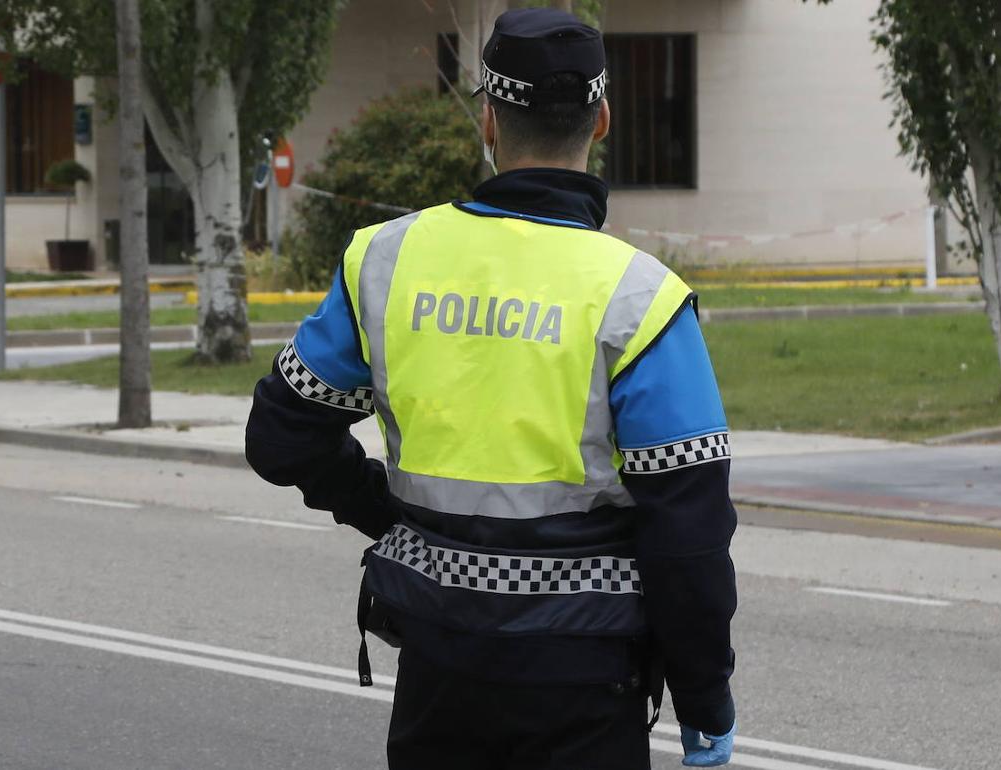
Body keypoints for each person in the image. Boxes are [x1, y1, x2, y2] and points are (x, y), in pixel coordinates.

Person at [245, 8, 738, 768]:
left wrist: (383, 511)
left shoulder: (385, 259)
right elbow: (688, 536)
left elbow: (280, 434)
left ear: (487, 120)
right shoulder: (643, 300)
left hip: (437, 670)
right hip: (583, 685)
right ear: (601, 120)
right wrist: (704, 698)